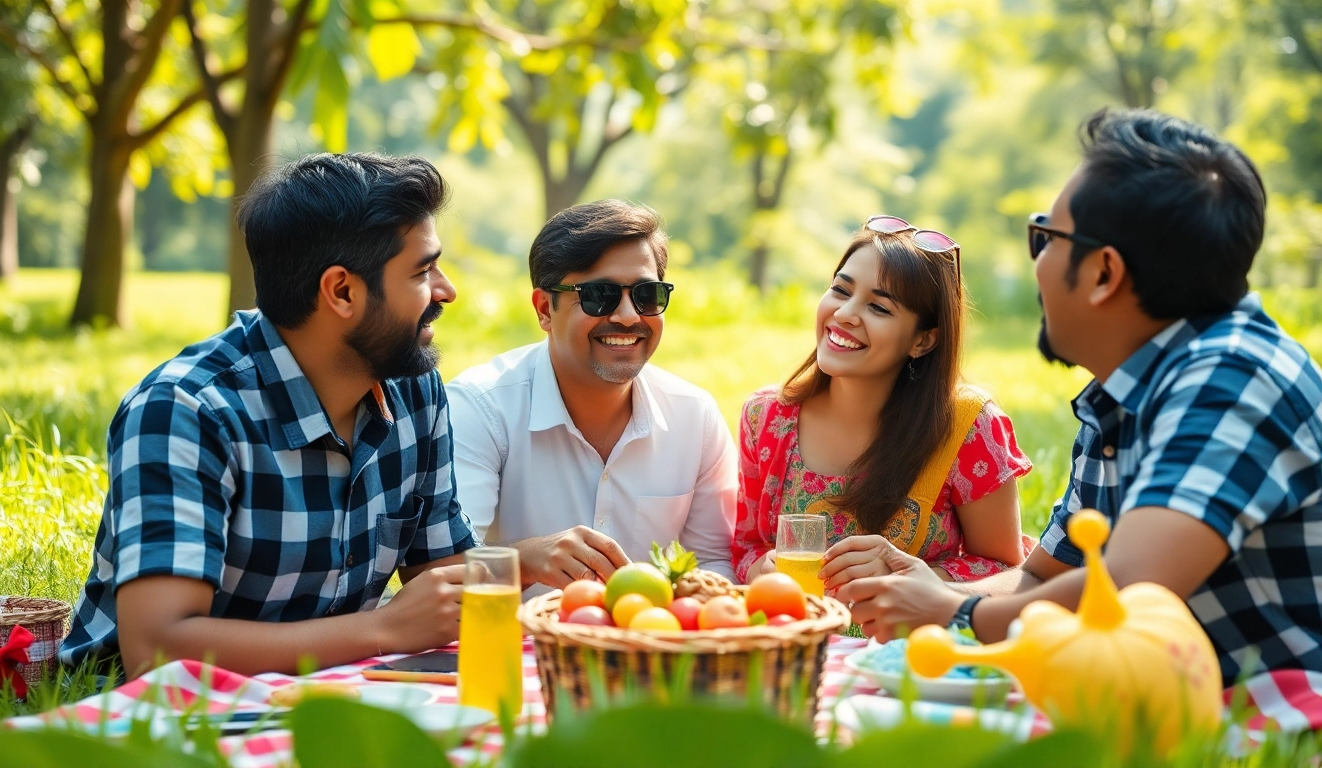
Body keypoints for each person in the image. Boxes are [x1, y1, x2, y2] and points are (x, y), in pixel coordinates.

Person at [835, 108, 1322, 689]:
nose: (1036, 263)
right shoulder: (1121, 397)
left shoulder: (1236, 376)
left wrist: (952, 613)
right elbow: (1041, 579)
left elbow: (1131, 585)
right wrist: (928, 587)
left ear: (1102, 273)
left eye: (1046, 238)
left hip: (1276, 718)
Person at [59, 153, 477, 678]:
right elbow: (158, 650)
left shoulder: (412, 389)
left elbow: (439, 581)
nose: (446, 290)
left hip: (325, 696)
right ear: (342, 291)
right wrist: (384, 630)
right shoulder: (185, 411)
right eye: (423, 270)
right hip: (162, 721)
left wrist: (530, 565)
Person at [447, 200, 737, 593]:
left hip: (648, 647)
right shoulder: (481, 409)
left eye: (646, 295)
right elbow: (439, 570)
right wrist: (527, 559)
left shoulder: (694, 418)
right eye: (599, 295)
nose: (628, 316)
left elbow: (714, 562)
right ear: (544, 309)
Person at [733, 218, 1033, 589]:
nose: (844, 314)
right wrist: (759, 568)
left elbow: (1009, 572)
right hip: (798, 641)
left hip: (909, 643)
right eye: (841, 291)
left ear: (922, 341)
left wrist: (909, 577)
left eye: (879, 308)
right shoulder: (765, 417)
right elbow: (745, 548)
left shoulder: (967, 427)